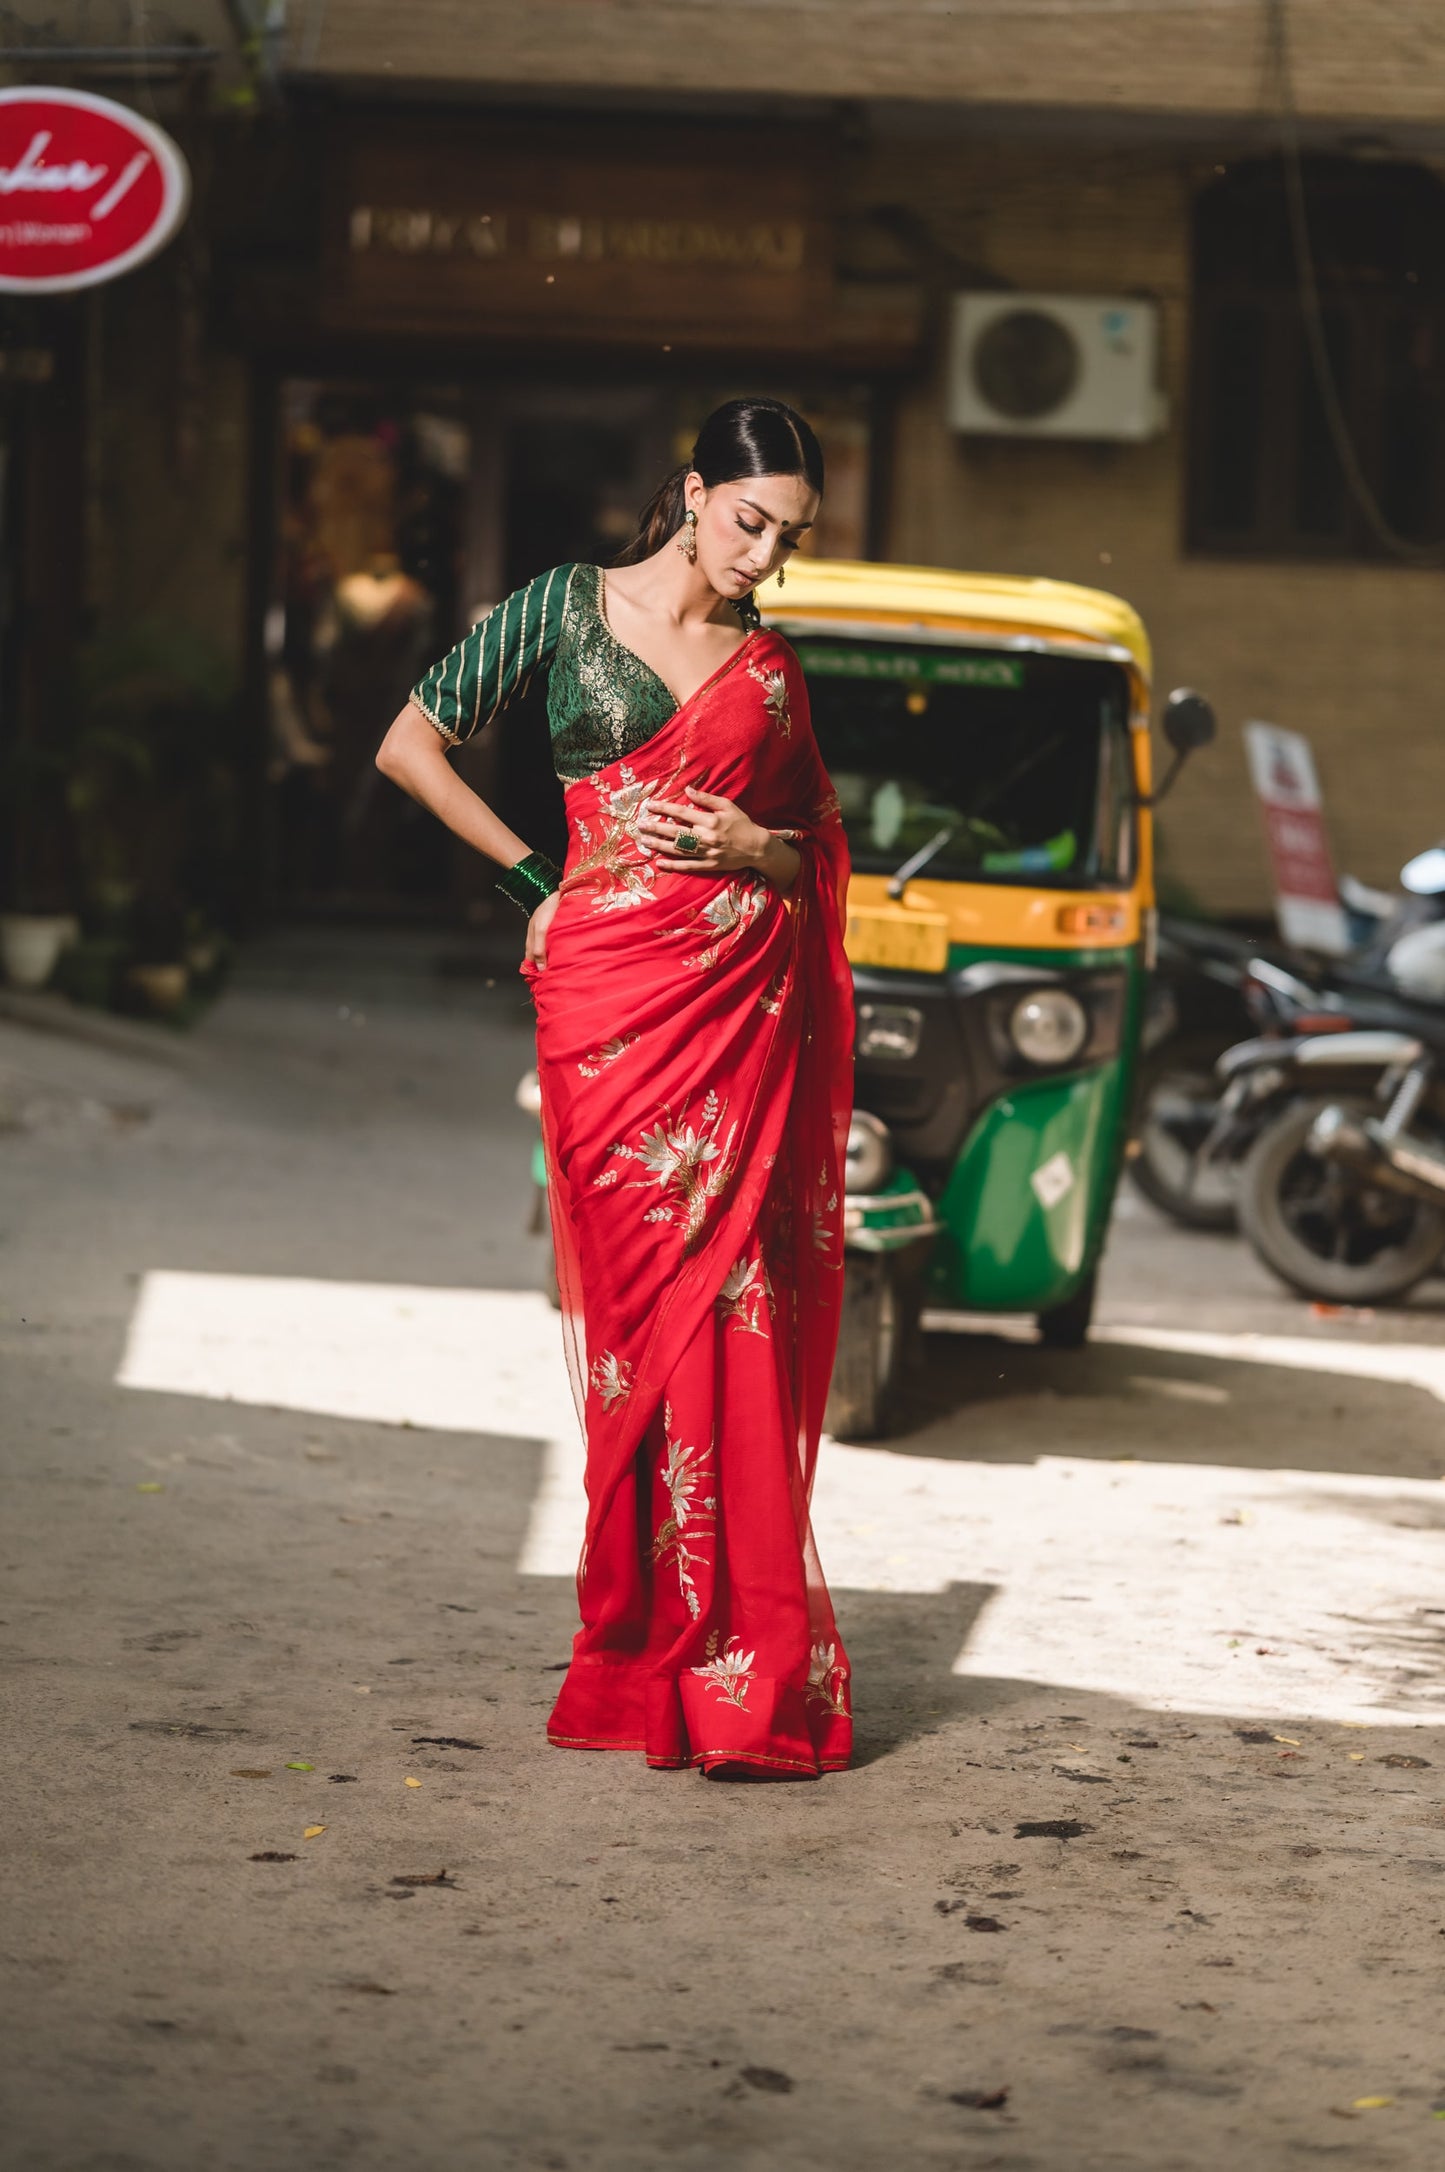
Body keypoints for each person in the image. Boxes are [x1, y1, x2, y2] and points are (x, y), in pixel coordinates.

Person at [376, 398, 854, 1778]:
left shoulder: (768, 675)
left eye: (792, 537)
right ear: (694, 492)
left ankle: (735, 1668)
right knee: (642, 1319)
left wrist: (758, 845)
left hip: (733, 1017)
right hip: (606, 1004)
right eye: (751, 520)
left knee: (735, 1311)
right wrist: (539, 881)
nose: (766, 555)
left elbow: (816, 850)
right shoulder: (560, 610)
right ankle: (642, 1639)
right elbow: (412, 747)